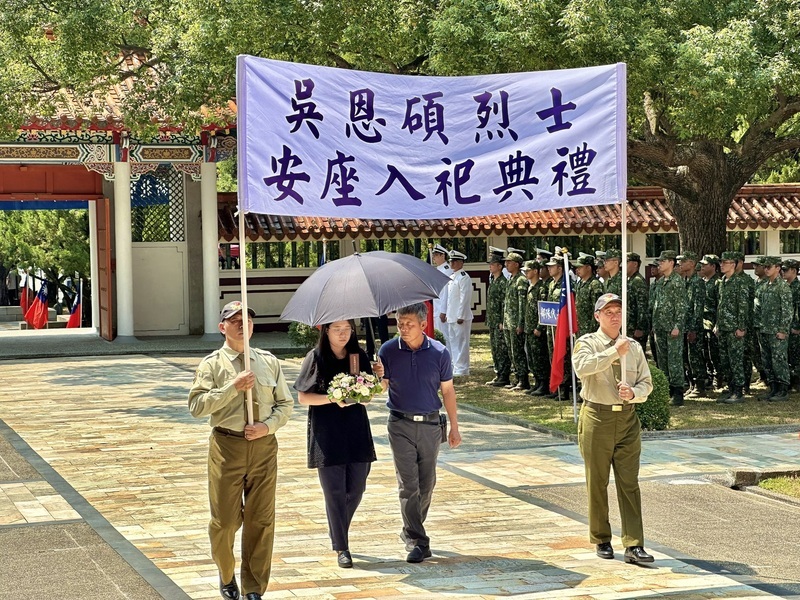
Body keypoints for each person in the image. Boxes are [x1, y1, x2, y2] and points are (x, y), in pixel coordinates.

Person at [188, 301, 294, 600]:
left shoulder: (268, 361)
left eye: (246, 319)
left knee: (261, 520)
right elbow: (196, 407)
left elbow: (285, 404)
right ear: (222, 327)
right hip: (227, 446)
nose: (241, 324)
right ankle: (225, 574)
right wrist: (232, 387)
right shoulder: (212, 364)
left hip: (262, 447)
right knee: (226, 522)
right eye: (233, 320)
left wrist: (267, 426)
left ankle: (253, 587)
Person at [572, 293, 654, 565]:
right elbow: (582, 368)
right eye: (608, 312)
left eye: (618, 311)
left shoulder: (634, 347)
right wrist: (613, 352)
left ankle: (634, 543)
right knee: (597, 481)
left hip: (627, 420)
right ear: (597, 316)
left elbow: (647, 383)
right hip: (597, 417)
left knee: (629, 483)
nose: (614, 316)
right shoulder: (587, 343)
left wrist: (634, 393)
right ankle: (601, 537)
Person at [378, 303, 461, 563]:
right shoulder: (388, 350)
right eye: (399, 323)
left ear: (423, 325)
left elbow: (447, 391)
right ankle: (418, 540)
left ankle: (411, 530)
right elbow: (381, 389)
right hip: (399, 424)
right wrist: (378, 376)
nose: (402, 328)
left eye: (409, 324)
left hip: (430, 425)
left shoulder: (439, 352)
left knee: (426, 483)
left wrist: (455, 427)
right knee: (408, 484)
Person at [294, 320, 379, 568]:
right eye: (337, 329)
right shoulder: (316, 357)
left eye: (347, 329)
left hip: (356, 429)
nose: (343, 334)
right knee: (334, 493)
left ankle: (337, 531)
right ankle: (342, 546)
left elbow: (369, 393)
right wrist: (333, 398)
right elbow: (303, 397)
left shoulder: (358, 355)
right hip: (327, 432)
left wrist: (377, 380)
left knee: (356, 489)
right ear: (326, 331)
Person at [650, 250, 687, 406]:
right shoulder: (660, 282)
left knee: (674, 360)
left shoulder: (677, 281)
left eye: (663, 261)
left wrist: (677, 325)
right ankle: (667, 390)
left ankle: (678, 392)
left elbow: (681, 306)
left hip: (672, 327)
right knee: (663, 360)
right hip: (660, 327)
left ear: (671, 262)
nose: (660, 264)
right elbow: (656, 305)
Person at [754, 257, 793, 401]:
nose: (766, 269)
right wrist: (758, 325)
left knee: (779, 360)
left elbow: (787, 310)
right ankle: (773, 388)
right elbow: (758, 307)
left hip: (777, 331)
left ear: (777, 268)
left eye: (769, 267)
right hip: (764, 329)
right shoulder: (764, 286)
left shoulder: (783, 287)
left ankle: (783, 389)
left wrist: (783, 330)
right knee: (767, 360)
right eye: (765, 267)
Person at [716, 251, 750, 404]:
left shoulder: (740, 282)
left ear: (734, 264)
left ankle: (738, 391)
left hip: (734, 328)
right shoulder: (722, 281)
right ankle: (730, 388)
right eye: (721, 262)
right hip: (723, 327)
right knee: (725, 361)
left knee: (736, 360)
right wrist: (717, 324)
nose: (721, 265)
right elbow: (721, 306)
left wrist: (741, 326)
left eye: (725, 262)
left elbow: (743, 306)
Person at [678, 251, 709, 396]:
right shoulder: (686, 282)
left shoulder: (697, 282)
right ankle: (691, 383)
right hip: (684, 325)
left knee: (695, 356)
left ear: (691, 263)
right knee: (686, 356)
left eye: (683, 261)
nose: (680, 264)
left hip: (693, 327)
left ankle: (700, 386)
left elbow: (698, 308)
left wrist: (694, 329)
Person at [503, 252, 530, 390]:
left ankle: (523, 379)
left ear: (517, 264)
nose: (506, 264)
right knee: (511, 352)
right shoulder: (511, 279)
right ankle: (517, 377)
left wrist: (520, 323)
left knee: (518, 352)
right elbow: (507, 303)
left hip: (515, 323)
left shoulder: (521, 280)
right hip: (508, 322)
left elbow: (522, 304)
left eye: (509, 262)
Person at [445, 249, 474, 376]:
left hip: (460, 316)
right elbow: (450, 299)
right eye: (451, 261)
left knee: (462, 342)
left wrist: (461, 315)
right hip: (452, 315)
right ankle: (456, 366)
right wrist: (447, 313)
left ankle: (463, 368)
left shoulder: (464, 277)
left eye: (454, 261)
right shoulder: (452, 277)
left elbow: (465, 297)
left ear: (461, 263)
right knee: (453, 342)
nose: (452, 263)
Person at [485, 251, 511, 387]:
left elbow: (504, 303)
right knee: (495, 348)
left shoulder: (503, 283)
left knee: (501, 349)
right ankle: (498, 373)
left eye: (493, 264)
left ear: (499, 266)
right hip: (492, 320)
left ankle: (504, 374)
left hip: (499, 321)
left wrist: (502, 320)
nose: (490, 266)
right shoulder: (492, 280)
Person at [524, 259, 549, 396]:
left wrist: (540, 327)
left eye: (528, 270)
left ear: (535, 271)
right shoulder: (530, 287)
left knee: (540, 358)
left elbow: (544, 308)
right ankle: (537, 382)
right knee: (532, 358)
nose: (526, 273)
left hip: (537, 330)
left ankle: (543, 383)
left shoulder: (541, 288)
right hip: (529, 328)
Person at [574, 255, 604, 338]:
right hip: (579, 328)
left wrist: (593, 331)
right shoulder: (580, 283)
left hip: (590, 331)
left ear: (588, 268)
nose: (577, 270)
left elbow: (597, 309)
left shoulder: (595, 284)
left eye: (580, 267)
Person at [782, 258, 800, 392]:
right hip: (785, 327)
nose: (783, 272)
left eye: (785, 270)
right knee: (787, 354)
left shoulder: (797, 288)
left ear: (794, 271)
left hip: (794, 327)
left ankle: (797, 382)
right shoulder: (785, 287)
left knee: (795, 355)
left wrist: (797, 327)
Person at [626, 252, 650, 352]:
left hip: (636, 330)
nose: (624, 265)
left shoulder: (638, 281)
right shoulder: (630, 280)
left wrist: (640, 328)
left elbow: (643, 307)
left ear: (635, 264)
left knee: (638, 358)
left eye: (626, 262)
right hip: (630, 328)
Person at [430, 244, 451, 344]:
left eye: (436, 255)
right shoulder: (439, 269)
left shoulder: (447, 270)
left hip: (442, 310)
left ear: (442, 256)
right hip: (436, 308)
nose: (433, 257)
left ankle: (448, 359)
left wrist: (444, 311)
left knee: (445, 337)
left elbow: (446, 292)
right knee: (438, 337)